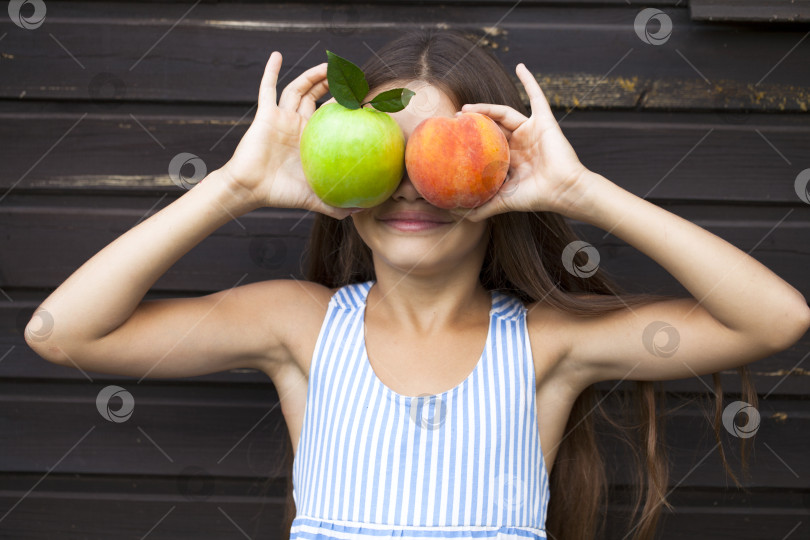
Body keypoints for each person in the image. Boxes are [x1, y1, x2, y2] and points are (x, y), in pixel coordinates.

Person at [25, 29, 809, 540]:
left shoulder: (546, 343)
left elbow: (773, 321)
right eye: (384, 158)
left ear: (500, 176)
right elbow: (62, 332)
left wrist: (581, 192)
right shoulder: (301, 327)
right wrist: (233, 186)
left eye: (439, 159)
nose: (409, 189)